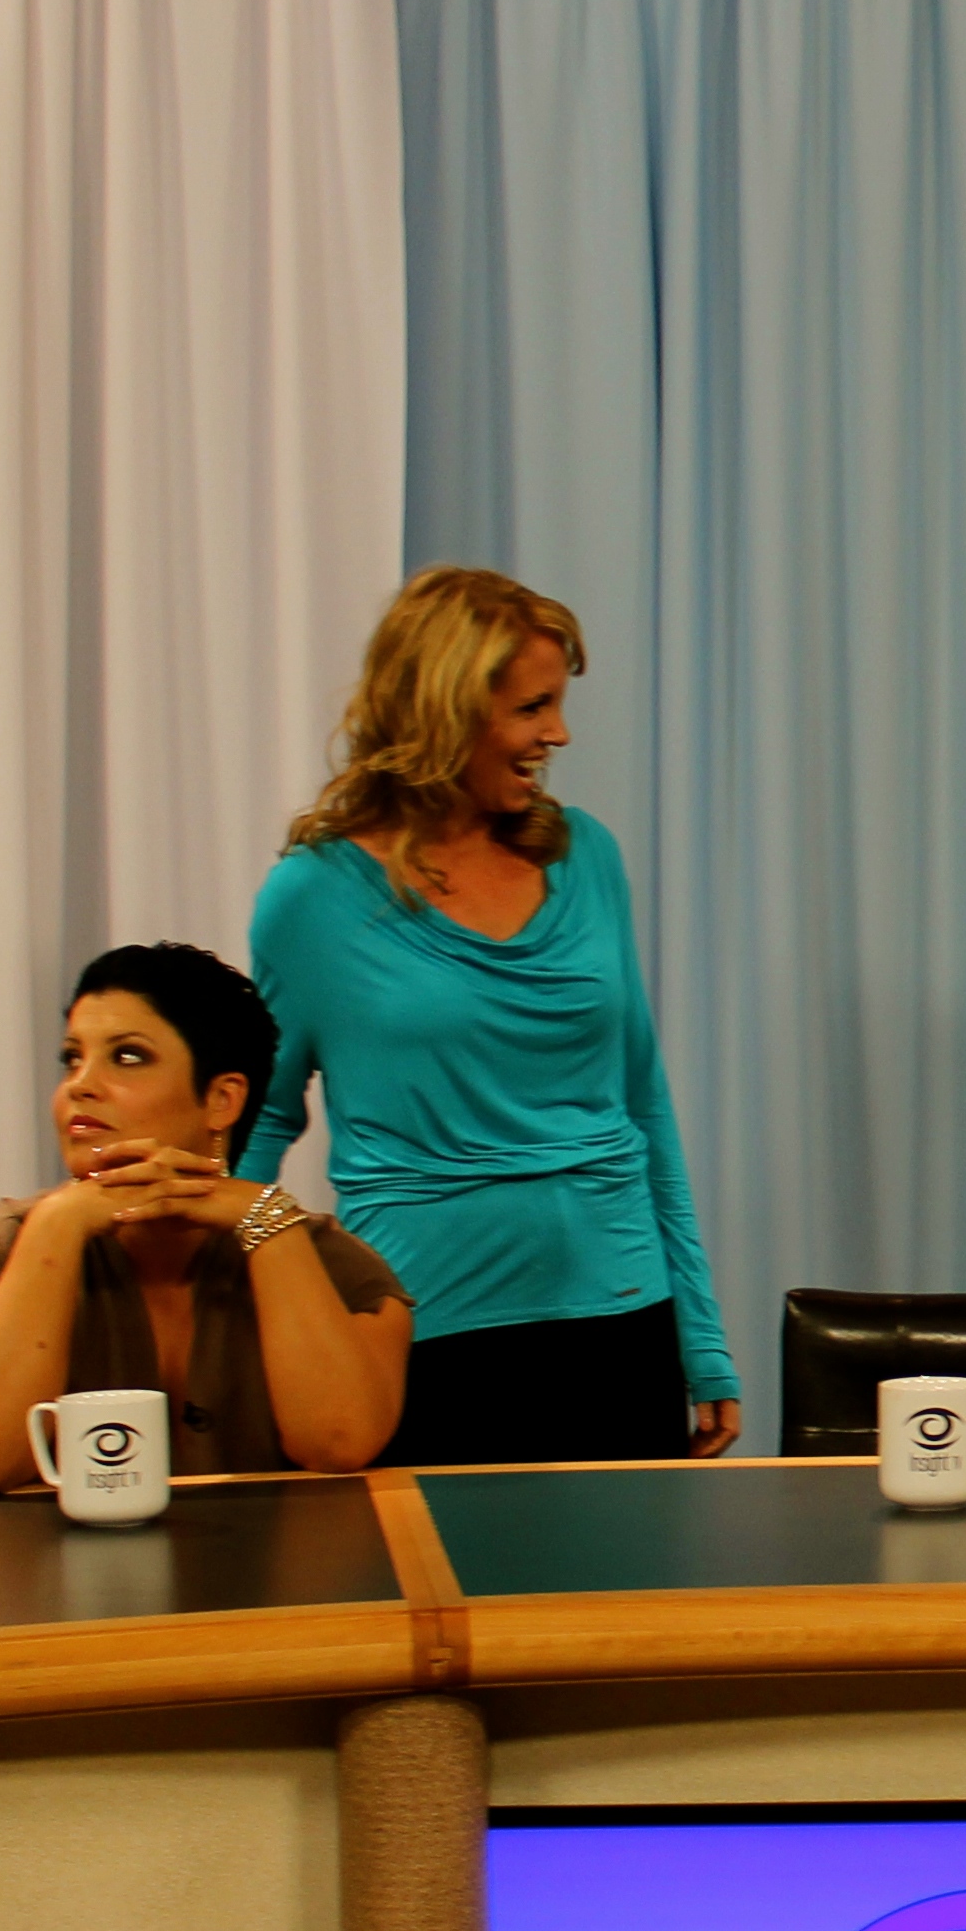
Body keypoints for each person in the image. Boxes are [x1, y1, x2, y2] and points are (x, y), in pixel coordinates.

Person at [242, 568, 744, 1465]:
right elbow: (261, 1128)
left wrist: (701, 1340)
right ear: (445, 712)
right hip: (426, 1334)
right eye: (532, 708)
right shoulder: (310, 899)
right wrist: (243, 1319)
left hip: (621, 1321)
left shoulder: (587, 857)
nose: (558, 733)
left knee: (615, 1609)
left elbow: (643, 1106)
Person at [0, 945, 413, 1488]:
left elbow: (337, 1444)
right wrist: (56, 1225)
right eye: (73, 1058)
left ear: (221, 1099)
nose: (80, 1085)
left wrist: (268, 1221)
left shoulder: (342, 1271)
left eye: (126, 1057)